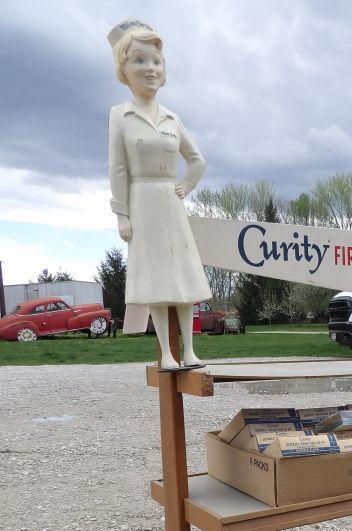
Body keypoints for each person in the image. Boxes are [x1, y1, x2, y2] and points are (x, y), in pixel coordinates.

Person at [107, 19, 210, 369]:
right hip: (142, 201)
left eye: (155, 61)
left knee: (182, 274)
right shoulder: (120, 116)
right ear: (125, 68)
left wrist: (186, 185)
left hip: (170, 200)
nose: (150, 68)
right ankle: (166, 352)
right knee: (154, 276)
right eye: (140, 60)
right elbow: (118, 168)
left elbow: (197, 160)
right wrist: (121, 212)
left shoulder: (171, 117)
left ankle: (190, 350)